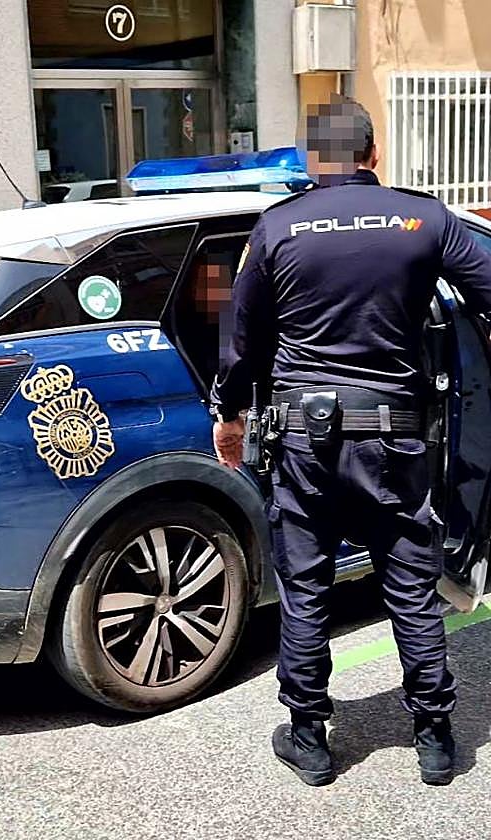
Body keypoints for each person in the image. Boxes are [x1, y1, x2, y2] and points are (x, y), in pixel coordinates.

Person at [210, 97, 491, 787]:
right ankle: (434, 737)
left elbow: (241, 339)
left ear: (312, 158)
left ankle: (309, 737)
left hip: (303, 442)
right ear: (373, 152)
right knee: (411, 585)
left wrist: (230, 415)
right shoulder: (424, 220)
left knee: (306, 587)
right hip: (395, 442)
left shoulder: (277, 227)